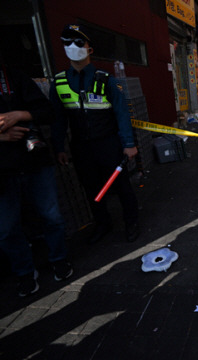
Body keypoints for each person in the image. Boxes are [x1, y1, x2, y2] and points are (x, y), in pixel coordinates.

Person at [50, 24, 139, 243]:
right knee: (91, 189)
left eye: (79, 42)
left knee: (121, 186)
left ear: (90, 49)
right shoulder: (59, 83)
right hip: (81, 146)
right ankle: (103, 223)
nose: (73, 47)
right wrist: (59, 147)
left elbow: (122, 114)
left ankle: (131, 223)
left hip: (109, 144)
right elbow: (58, 119)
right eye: (67, 42)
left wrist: (129, 144)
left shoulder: (106, 80)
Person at [0, 64, 73, 297]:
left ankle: (59, 259)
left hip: (35, 161)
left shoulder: (15, 77)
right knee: (7, 228)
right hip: (2, 171)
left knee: (51, 215)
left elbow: (48, 112)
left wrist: (21, 115)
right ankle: (24, 272)